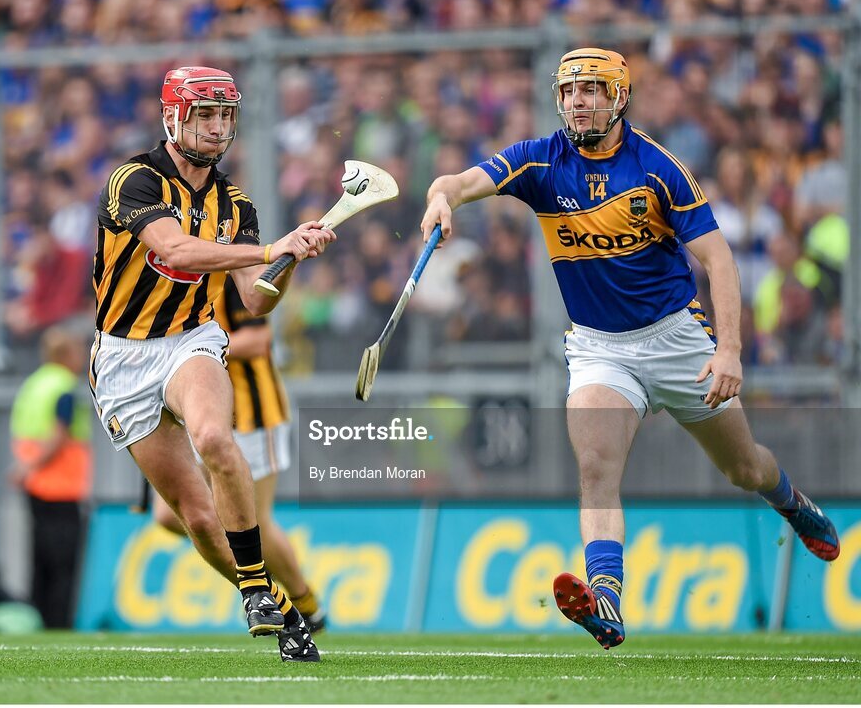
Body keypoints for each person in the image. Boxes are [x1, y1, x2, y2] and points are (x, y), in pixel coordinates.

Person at [420, 48, 840, 650]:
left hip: (676, 340)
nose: (577, 101)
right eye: (568, 91)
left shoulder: (657, 167)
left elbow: (718, 261)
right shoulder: (540, 160)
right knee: (595, 466)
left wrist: (729, 352)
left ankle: (792, 502)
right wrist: (441, 198)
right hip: (599, 348)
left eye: (591, 89)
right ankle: (607, 601)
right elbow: (460, 181)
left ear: (619, 97)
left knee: (743, 467)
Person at [89, 66, 334, 662]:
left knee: (214, 439)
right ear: (173, 116)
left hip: (188, 341)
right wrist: (271, 247)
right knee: (197, 519)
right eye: (204, 113)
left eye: (225, 114)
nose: (217, 125)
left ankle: (256, 590)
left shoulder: (236, 201)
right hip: (122, 356)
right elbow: (174, 248)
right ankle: (271, 595)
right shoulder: (134, 179)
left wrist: (291, 259)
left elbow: (254, 298)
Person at [152, 276, 326, 633]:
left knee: (254, 519)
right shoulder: (164, 270)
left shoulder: (227, 273)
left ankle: (305, 604)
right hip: (198, 410)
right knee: (169, 516)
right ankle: (264, 590)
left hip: (251, 415)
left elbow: (259, 339)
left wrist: (191, 351)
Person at [9, 325, 93, 629]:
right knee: (63, 565)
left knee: (39, 562)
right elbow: (59, 434)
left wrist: (23, 468)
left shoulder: (34, 384)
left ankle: (38, 620)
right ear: (66, 355)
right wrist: (33, 465)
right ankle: (59, 623)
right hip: (61, 488)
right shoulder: (63, 387)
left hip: (34, 487)